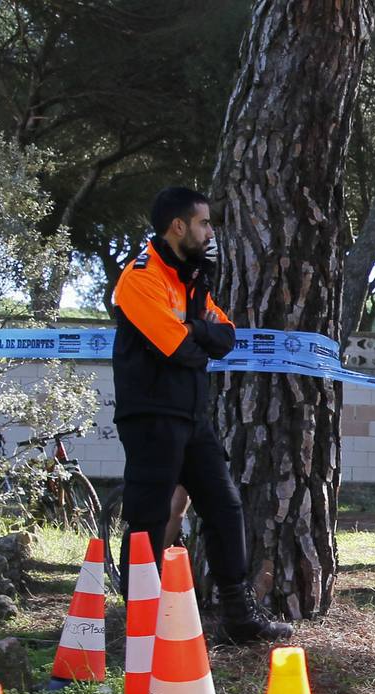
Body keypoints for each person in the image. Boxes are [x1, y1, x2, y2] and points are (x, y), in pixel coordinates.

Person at [110, 187, 290, 643]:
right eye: (204, 223)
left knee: (225, 507)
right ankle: (141, 625)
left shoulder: (191, 279)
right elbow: (180, 351)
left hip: (191, 415)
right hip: (150, 416)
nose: (210, 232)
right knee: (148, 518)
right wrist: (196, 335)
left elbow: (224, 335)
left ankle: (240, 617)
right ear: (178, 227)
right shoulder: (140, 276)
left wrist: (194, 330)